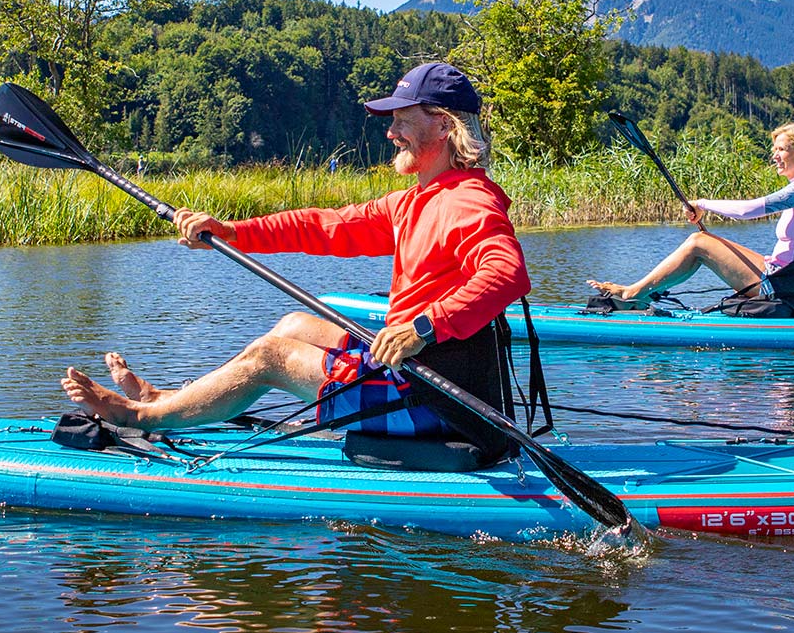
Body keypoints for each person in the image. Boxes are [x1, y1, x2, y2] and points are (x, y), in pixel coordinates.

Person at [62, 62, 531, 467]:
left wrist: (422, 328)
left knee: (270, 356)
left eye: (402, 121)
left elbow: (506, 273)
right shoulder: (418, 199)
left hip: (438, 401)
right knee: (293, 325)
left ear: (444, 125)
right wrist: (232, 232)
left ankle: (139, 415)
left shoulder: (467, 200)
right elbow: (322, 227)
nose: (390, 133)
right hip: (414, 373)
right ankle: (168, 400)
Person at [587, 122, 794, 307]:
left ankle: (632, 294)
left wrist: (702, 204)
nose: (774, 156)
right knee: (706, 241)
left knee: (699, 242)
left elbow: (747, 211)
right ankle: (644, 295)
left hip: (782, 288)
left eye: (781, 149)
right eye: (774, 149)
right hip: (789, 283)